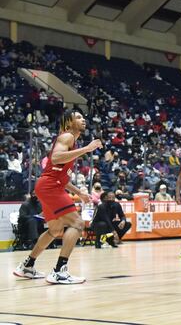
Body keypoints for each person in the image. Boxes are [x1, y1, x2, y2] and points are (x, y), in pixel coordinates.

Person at [13, 109, 102, 284]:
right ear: (69, 122)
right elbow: (56, 158)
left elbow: (61, 175)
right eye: (78, 117)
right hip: (50, 187)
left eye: (83, 117)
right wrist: (87, 149)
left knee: (54, 230)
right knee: (77, 223)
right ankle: (60, 271)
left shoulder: (71, 141)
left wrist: (79, 192)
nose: (83, 119)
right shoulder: (67, 137)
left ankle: (27, 266)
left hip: (49, 185)